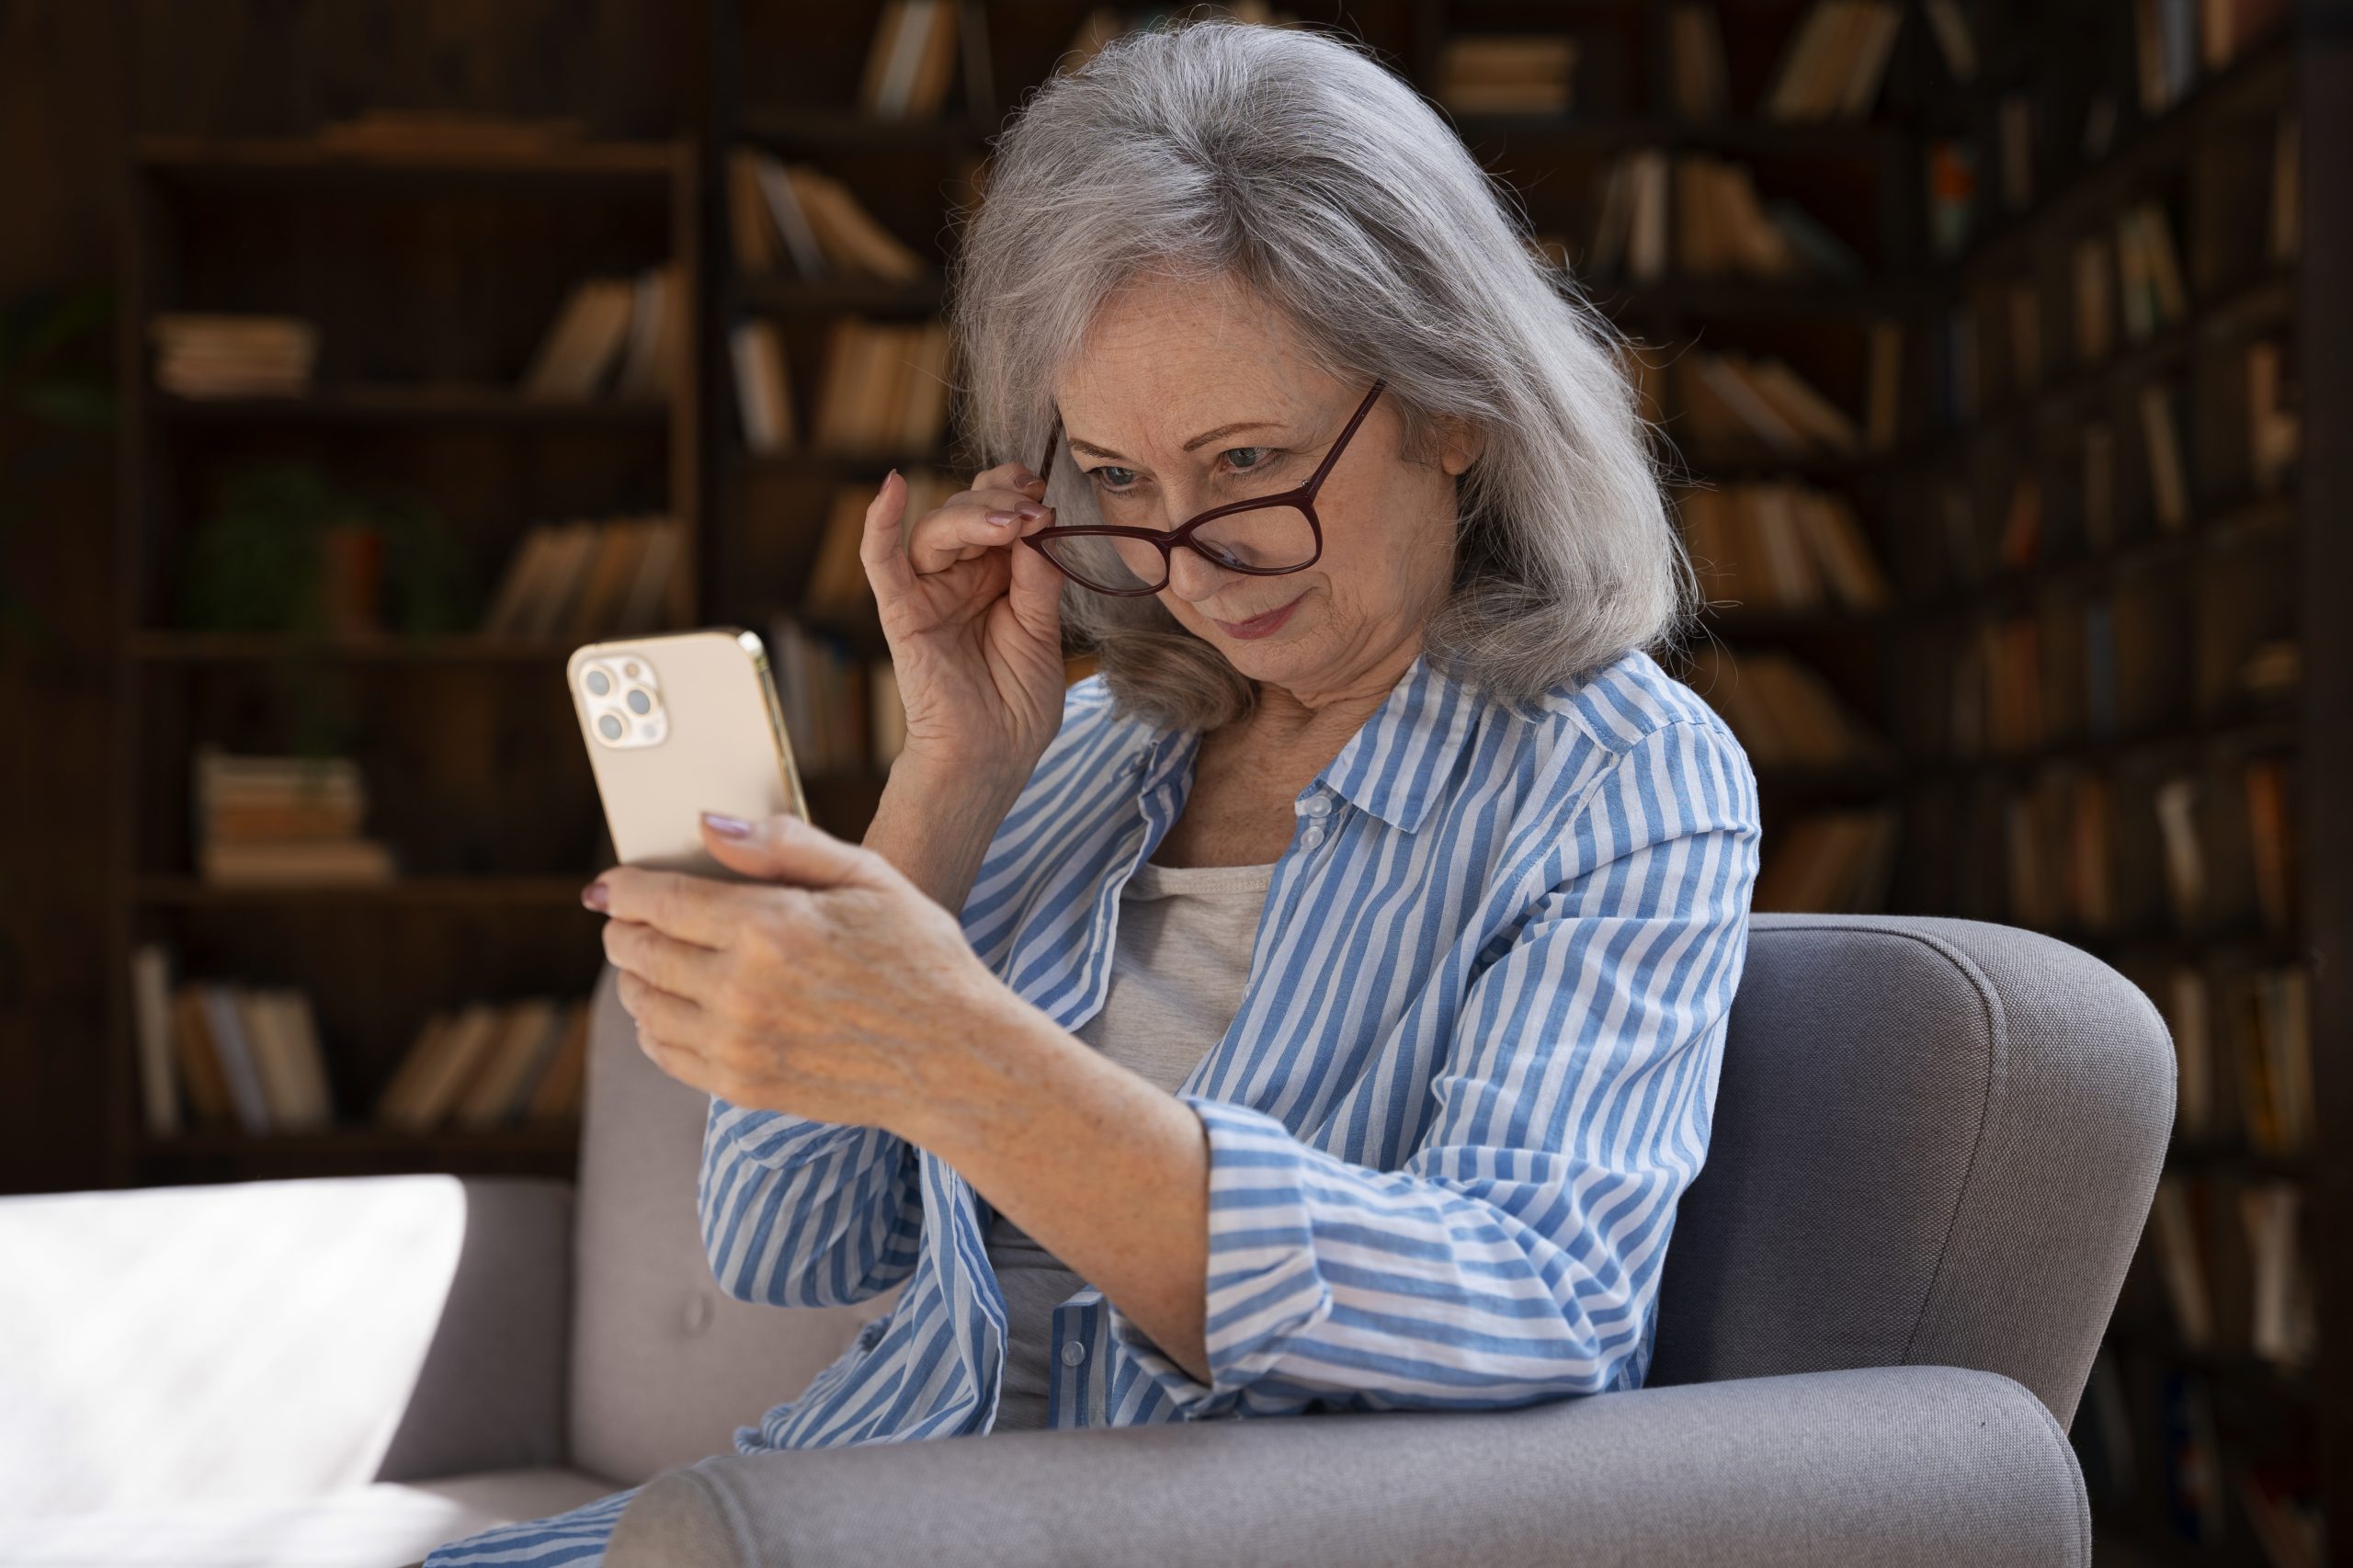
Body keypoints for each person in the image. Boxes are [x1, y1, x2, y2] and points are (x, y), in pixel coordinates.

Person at [423, 15, 1760, 1565]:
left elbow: (1545, 1300)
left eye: (1248, 460)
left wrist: (966, 1061)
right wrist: (953, 774)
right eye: (1118, 481)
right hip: (859, 1493)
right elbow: (790, 1236)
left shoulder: (1620, 778)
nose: (1181, 559)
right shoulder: (1093, 745)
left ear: (1454, 405)